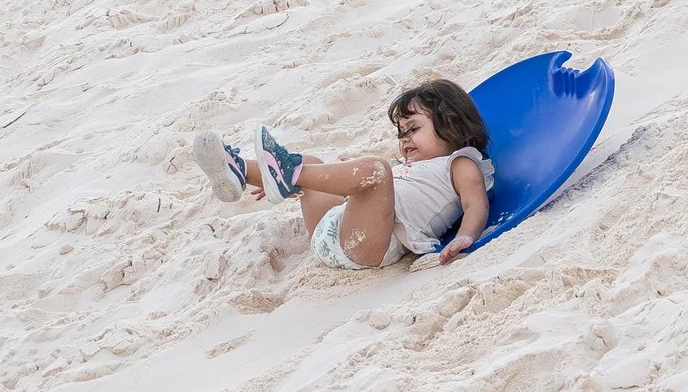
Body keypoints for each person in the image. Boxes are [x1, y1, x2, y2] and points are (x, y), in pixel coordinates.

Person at [190, 77, 492, 270]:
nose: (404, 140)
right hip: (333, 231)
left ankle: (286, 174)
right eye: (400, 134)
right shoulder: (411, 169)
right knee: (314, 162)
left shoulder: (460, 163)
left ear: (453, 126)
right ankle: (241, 171)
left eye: (413, 129)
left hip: (373, 245)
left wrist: (465, 236)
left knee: (376, 170)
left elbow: (475, 204)